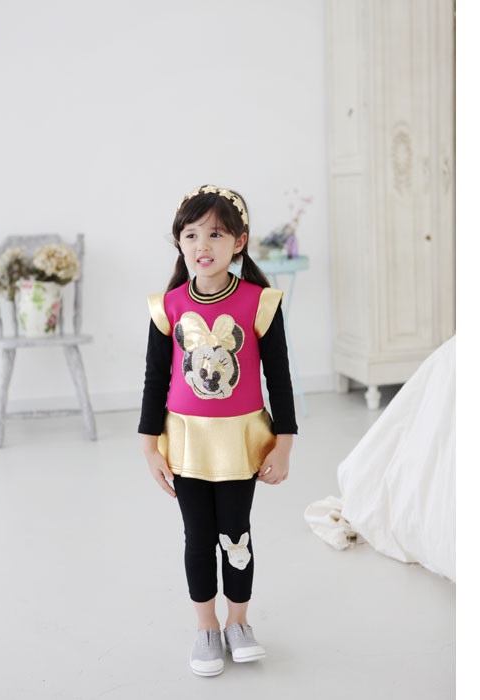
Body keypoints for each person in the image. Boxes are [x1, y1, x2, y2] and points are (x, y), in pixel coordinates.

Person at [138, 184, 298, 677]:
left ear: (239, 241)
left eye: (215, 234)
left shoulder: (259, 303)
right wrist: (149, 446)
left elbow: (279, 376)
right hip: (185, 442)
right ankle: (206, 627)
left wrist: (284, 443)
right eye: (191, 234)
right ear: (179, 242)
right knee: (197, 536)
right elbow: (155, 379)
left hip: (240, 442)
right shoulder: (167, 306)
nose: (202, 245)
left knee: (236, 533)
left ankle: (238, 622)